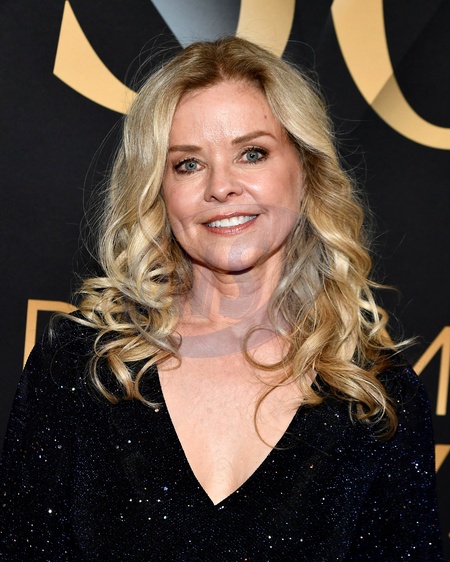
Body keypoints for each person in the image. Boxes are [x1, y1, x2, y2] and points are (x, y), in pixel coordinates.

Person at [0, 36, 443, 561]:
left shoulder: (376, 396)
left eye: (252, 153)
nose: (221, 187)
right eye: (188, 164)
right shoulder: (81, 364)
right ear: (157, 189)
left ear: (306, 170)